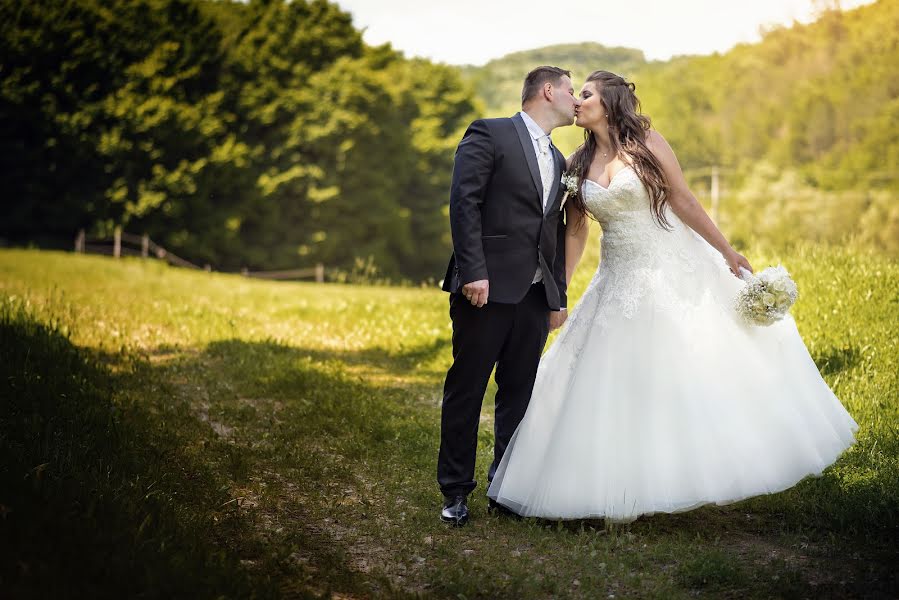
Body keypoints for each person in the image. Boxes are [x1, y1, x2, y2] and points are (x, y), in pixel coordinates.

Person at [487, 70, 858, 523]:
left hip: (667, 267)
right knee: (611, 381)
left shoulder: (644, 141)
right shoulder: (577, 163)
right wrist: (559, 292)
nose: (577, 101)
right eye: (575, 94)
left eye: (586, 94)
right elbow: (577, 231)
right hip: (615, 280)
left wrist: (726, 250)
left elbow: (682, 199)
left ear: (609, 102)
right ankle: (617, 482)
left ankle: (704, 466)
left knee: (683, 368)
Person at [437, 66, 579, 526]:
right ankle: (455, 491)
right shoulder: (490, 133)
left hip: (534, 297)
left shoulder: (560, 160)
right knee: (468, 388)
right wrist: (474, 272)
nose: (576, 101)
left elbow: (553, 232)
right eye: (572, 91)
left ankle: (505, 486)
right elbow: (465, 202)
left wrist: (555, 295)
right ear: (547, 90)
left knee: (519, 393)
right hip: (486, 289)